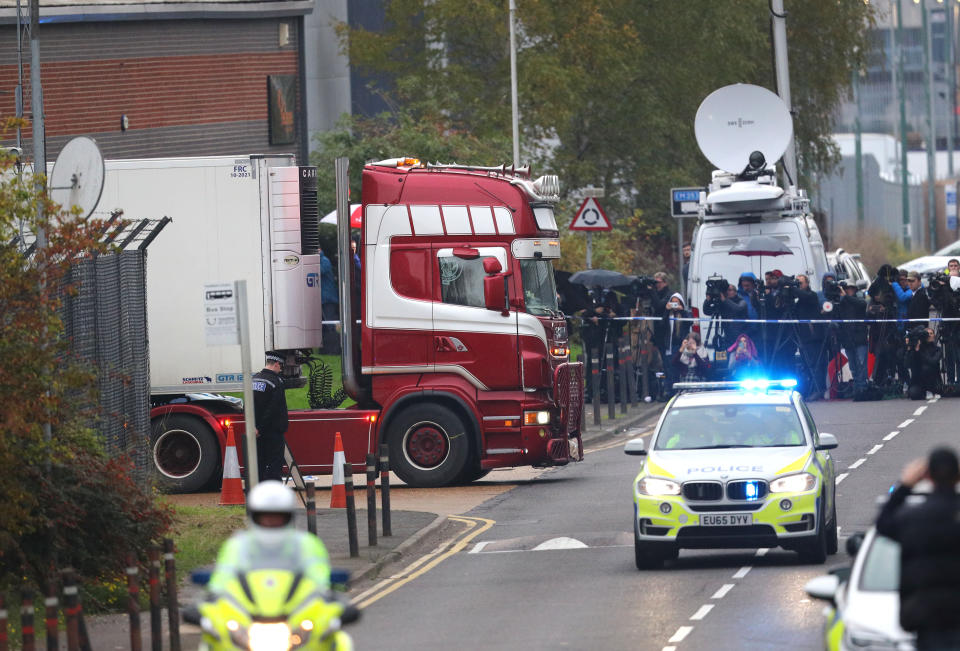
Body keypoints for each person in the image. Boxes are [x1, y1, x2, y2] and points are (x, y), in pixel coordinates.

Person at [876, 449, 960, 649]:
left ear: (927, 476)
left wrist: (905, 486)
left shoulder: (912, 518)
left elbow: (883, 523)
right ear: (958, 476)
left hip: (926, 617)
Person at [208, 480, 331, 594]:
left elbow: (321, 581)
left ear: (290, 517)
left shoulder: (307, 544)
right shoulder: (237, 545)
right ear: (253, 516)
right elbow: (221, 582)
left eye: (278, 517)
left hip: (298, 609)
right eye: (265, 517)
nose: (271, 522)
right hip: (247, 610)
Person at [252, 351, 289, 482]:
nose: (281, 370)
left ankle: (258, 493)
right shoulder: (276, 382)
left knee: (259, 464)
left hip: (256, 432)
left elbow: (249, 406)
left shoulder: (254, 378)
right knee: (274, 465)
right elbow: (273, 410)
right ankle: (274, 495)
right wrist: (261, 428)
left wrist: (255, 428)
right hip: (272, 431)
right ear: (277, 364)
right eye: (281, 367)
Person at [795, 274, 827, 399]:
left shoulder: (811, 295)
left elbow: (805, 296)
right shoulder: (799, 302)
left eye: (801, 283)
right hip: (804, 337)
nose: (799, 285)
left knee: (816, 364)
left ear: (807, 283)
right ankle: (811, 388)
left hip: (814, 336)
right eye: (797, 283)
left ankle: (818, 389)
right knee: (807, 364)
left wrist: (793, 289)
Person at [834, 280, 868, 397]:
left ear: (854, 289)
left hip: (860, 338)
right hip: (847, 339)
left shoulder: (858, 301)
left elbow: (863, 305)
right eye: (845, 289)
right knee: (853, 365)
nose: (847, 291)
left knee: (861, 363)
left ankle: (863, 388)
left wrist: (846, 297)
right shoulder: (841, 304)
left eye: (849, 288)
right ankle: (857, 388)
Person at [905, 327, 942, 400]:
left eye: (931, 333)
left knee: (926, 368)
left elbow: (933, 361)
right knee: (913, 394)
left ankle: (931, 390)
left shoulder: (937, 349)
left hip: (933, 381)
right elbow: (907, 364)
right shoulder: (917, 348)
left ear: (934, 336)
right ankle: (923, 393)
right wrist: (910, 349)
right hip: (919, 381)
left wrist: (920, 352)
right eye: (927, 334)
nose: (929, 335)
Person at [318, 246, 341, 354]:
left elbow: (318, 271)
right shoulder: (321, 260)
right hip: (323, 298)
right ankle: (325, 349)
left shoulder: (324, 261)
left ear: (319, 249)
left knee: (329, 324)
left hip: (328, 299)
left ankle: (334, 349)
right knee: (323, 325)